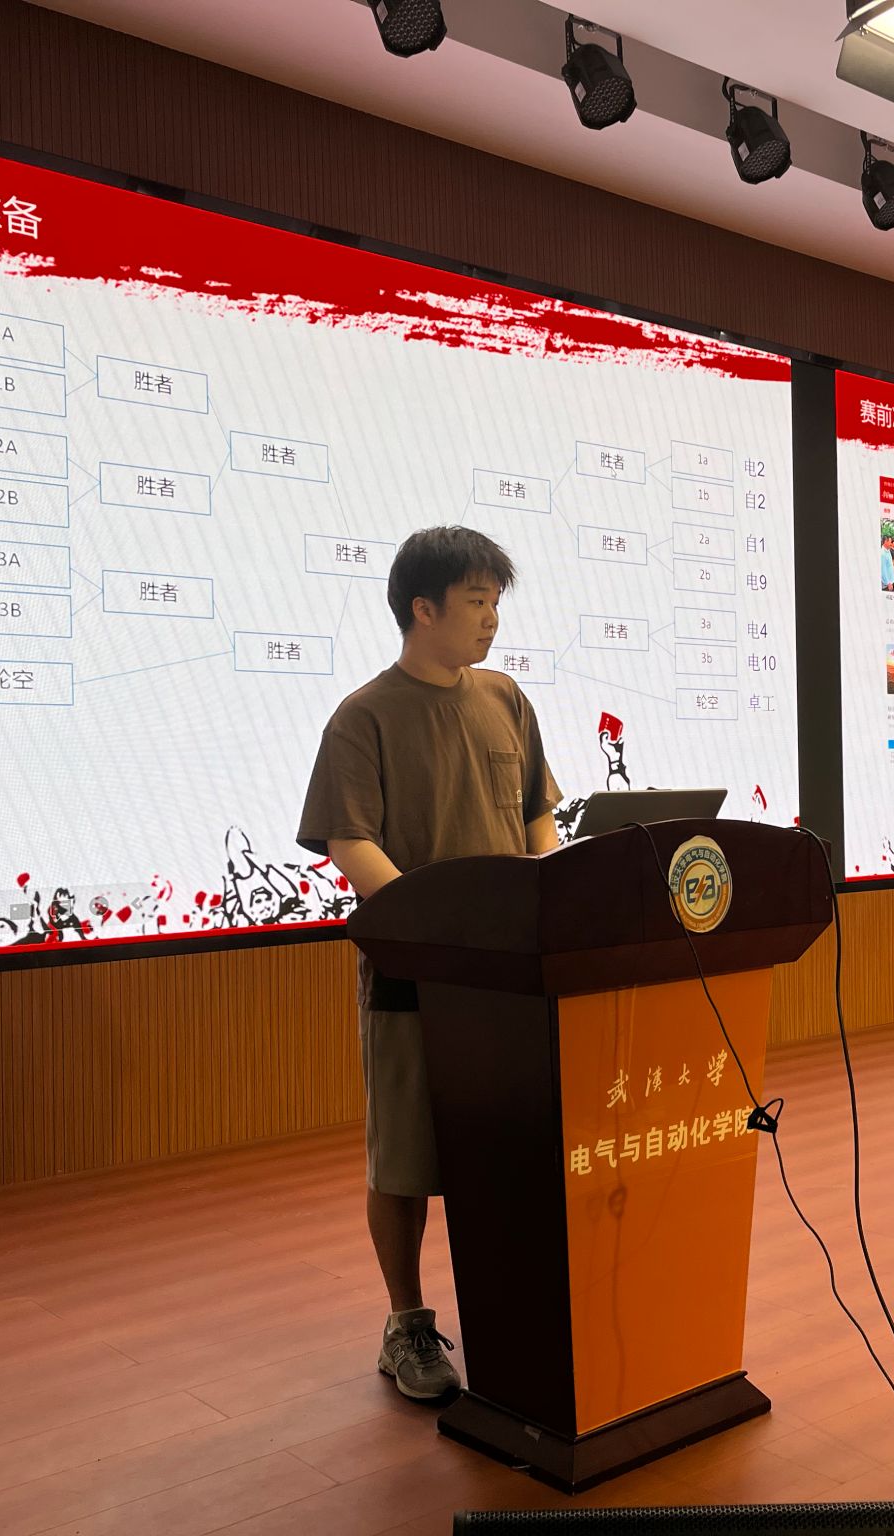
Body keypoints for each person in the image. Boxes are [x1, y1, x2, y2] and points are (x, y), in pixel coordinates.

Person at [298, 526, 562, 1402]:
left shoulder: (506, 698)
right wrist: (430, 923)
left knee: (511, 1146)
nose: (492, 619)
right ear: (423, 608)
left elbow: (535, 816)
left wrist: (551, 894)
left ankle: (517, 1307)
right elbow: (350, 839)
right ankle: (406, 1324)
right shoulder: (364, 716)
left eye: (496, 602)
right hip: (416, 971)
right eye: (477, 602)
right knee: (406, 1159)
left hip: (511, 973)